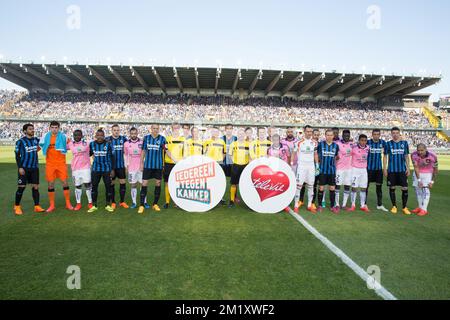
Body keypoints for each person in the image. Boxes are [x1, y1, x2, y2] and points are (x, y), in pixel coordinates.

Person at [39, 121, 73, 212]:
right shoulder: (45, 137)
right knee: (50, 184)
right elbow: (40, 146)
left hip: (61, 163)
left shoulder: (64, 137)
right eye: (52, 127)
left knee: (65, 182)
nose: (54, 129)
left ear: (59, 128)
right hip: (50, 164)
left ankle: (68, 203)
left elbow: (72, 145)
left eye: (56, 127)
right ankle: (52, 205)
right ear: (50, 128)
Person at [138, 124, 172, 214]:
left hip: (158, 166)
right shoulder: (146, 138)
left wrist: (174, 159)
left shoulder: (162, 139)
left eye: (157, 128)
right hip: (148, 165)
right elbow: (143, 151)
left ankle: (155, 204)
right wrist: (141, 163)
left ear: (159, 129)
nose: (155, 130)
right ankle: (141, 205)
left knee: (158, 183)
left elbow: (167, 150)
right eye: (154, 128)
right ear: (151, 129)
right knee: (144, 183)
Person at [13, 123, 45, 215]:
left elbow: (40, 146)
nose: (32, 130)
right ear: (25, 131)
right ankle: (17, 206)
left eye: (33, 129)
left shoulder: (36, 140)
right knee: (21, 187)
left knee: (35, 187)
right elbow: (17, 155)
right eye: (30, 129)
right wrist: (20, 167)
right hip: (24, 168)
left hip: (34, 168)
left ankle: (37, 206)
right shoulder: (20, 142)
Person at [383, 127, 411, 215]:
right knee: (392, 188)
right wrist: (384, 168)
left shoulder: (404, 143)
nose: (395, 134)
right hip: (391, 170)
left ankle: (404, 207)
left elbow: (406, 156)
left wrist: (408, 168)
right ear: (391, 134)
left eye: (397, 133)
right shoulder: (388, 144)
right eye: (393, 133)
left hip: (402, 170)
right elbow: (385, 156)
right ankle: (394, 206)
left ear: (399, 133)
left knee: (405, 188)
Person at [88, 129, 115, 213]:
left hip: (106, 169)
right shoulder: (92, 144)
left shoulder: (108, 144)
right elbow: (89, 154)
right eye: (98, 135)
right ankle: (94, 205)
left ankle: (107, 204)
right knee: (94, 187)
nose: (100, 137)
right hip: (95, 169)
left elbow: (112, 158)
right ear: (96, 136)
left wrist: (112, 169)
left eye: (101, 135)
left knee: (108, 187)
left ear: (104, 136)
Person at [292, 125, 318, 214]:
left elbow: (315, 154)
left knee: (311, 186)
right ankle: (296, 205)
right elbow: (294, 152)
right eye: (308, 131)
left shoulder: (314, 142)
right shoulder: (298, 142)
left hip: (311, 167)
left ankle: (309, 205)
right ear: (304, 131)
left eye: (311, 131)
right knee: (299, 186)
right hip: (301, 167)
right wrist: (292, 163)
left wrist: (317, 165)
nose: (309, 133)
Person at [67, 129, 93, 211]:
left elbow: (92, 150)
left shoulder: (87, 143)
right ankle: (78, 203)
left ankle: (90, 202)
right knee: (77, 186)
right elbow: (61, 147)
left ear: (82, 136)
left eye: (78, 135)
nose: (77, 136)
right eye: (75, 135)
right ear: (73, 136)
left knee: (87, 185)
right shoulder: (70, 144)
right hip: (75, 169)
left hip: (86, 168)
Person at [124, 127, 150, 209]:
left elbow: (145, 154)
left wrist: (144, 165)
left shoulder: (142, 142)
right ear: (130, 134)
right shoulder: (126, 144)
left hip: (141, 167)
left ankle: (144, 202)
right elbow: (125, 155)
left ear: (137, 133)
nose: (133, 135)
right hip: (131, 168)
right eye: (132, 133)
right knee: (133, 185)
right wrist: (126, 166)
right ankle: (134, 202)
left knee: (143, 184)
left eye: (135, 133)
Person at [316, 129, 340, 213]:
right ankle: (319, 205)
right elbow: (317, 156)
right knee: (321, 188)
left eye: (331, 135)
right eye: (328, 135)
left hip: (332, 171)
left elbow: (336, 156)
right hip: (322, 170)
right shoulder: (321, 144)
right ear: (325, 136)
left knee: (332, 188)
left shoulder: (336, 146)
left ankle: (332, 206)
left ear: (333, 136)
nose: (329, 136)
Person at [411, 143, 438, 216]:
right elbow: (416, 167)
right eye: (418, 150)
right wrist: (419, 180)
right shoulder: (413, 155)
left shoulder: (433, 156)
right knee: (418, 190)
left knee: (426, 190)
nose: (420, 152)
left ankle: (424, 209)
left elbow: (435, 169)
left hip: (428, 173)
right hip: (417, 173)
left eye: (422, 150)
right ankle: (420, 207)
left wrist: (432, 181)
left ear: (426, 149)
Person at [163, 122, 185, 209]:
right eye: (174, 128)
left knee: (178, 183)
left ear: (179, 129)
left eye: (177, 128)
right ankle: (167, 202)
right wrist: (174, 159)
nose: (175, 130)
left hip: (179, 164)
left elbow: (185, 151)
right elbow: (167, 150)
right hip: (169, 163)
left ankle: (177, 202)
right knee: (167, 182)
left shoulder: (183, 139)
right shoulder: (167, 139)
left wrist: (181, 160)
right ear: (171, 129)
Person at [106, 124, 128, 209]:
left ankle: (122, 201)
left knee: (123, 182)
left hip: (121, 166)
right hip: (111, 167)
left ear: (119, 131)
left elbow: (127, 153)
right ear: (112, 131)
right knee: (112, 183)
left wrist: (126, 165)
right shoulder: (107, 140)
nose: (116, 131)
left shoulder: (124, 139)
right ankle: (113, 202)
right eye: (114, 130)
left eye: (117, 130)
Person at [366, 129, 389, 212]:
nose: (376, 136)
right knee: (366, 187)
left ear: (380, 135)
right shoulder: (367, 142)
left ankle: (379, 205)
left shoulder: (383, 143)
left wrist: (385, 168)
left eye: (377, 134)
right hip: (368, 169)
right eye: (374, 134)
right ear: (372, 134)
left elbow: (385, 155)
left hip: (378, 169)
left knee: (379, 188)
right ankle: (364, 204)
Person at [203, 127, 227, 204]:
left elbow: (224, 152)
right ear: (211, 132)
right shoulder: (207, 141)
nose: (215, 133)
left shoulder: (222, 141)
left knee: (219, 181)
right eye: (213, 132)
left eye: (216, 132)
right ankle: (209, 196)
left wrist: (221, 160)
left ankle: (220, 198)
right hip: (210, 163)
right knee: (209, 180)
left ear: (218, 133)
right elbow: (203, 152)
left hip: (219, 163)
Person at [348, 134, 370, 212]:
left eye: (365, 140)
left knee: (363, 188)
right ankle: (353, 205)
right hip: (355, 170)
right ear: (359, 140)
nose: (363, 142)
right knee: (354, 188)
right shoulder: (353, 148)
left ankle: (362, 205)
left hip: (364, 170)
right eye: (362, 140)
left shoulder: (368, 148)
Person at [228, 128, 250, 208]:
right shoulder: (233, 144)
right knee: (234, 183)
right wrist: (234, 161)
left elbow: (250, 155)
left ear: (244, 135)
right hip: (236, 165)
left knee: (246, 184)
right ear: (237, 135)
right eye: (239, 134)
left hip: (245, 166)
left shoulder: (248, 144)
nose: (241, 135)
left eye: (242, 134)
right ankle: (231, 201)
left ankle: (248, 201)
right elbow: (230, 154)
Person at [335, 129, 353, 211]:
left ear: (349, 136)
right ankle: (337, 204)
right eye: (345, 136)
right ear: (342, 136)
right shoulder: (337, 144)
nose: (346, 137)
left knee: (347, 186)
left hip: (349, 169)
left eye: (348, 136)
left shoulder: (352, 144)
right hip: (339, 169)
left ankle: (344, 204)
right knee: (337, 186)